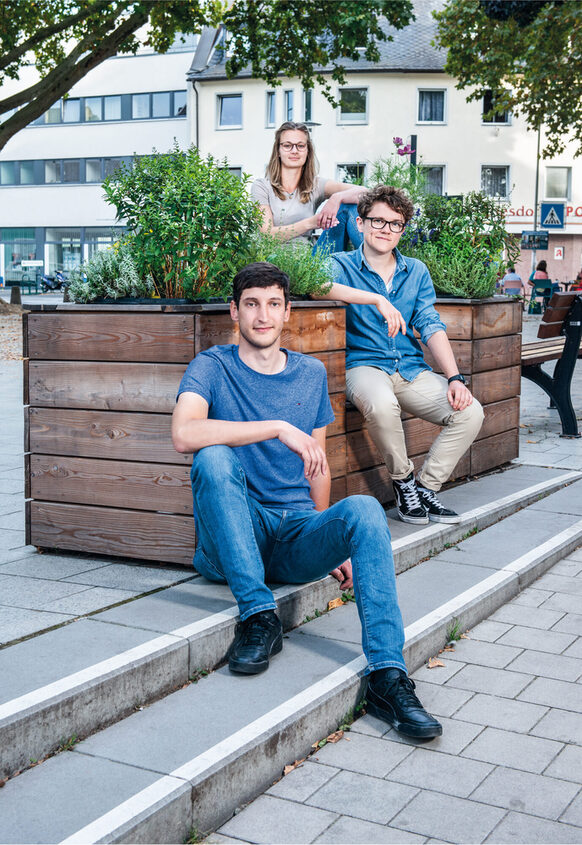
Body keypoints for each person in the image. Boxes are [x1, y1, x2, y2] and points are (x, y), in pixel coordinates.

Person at [172, 261, 442, 740]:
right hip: (237, 536)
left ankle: (387, 675)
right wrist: (278, 427)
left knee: (361, 509)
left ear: (287, 312)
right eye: (251, 304)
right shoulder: (211, 366)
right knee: (211, 458)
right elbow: (184, 432)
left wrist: (329, 540)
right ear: (234, 312)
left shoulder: (310, 373)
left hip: (295, 534)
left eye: (273, 304)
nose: (262, 315)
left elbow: (318, 467)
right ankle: (258, 616)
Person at [313, 185, 484, 525]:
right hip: (364, 366)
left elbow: (431, 325)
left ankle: (423, 488)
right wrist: (375, 299)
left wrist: (454, 378)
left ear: (403, 230)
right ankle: (403, 481)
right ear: (359, 224)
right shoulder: (339, 264)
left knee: (470, 412)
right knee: (381, 402)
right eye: (377, 221)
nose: (385, 229)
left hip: (409, 369)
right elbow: (316, 285)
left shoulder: (416, 271)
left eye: (395, 223)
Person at [251, 121, 364, 253]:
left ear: (307, 151)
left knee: (348, 206)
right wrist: (311, 223)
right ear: (278, 151)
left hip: (310, 260)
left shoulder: (316, 185)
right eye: (287, 145)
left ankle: (375, 265)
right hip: (271, 261)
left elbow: (366, 193)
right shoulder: (261, 187)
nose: (294, 151)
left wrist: (337, 198)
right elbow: (266, 235)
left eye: (300, 146)